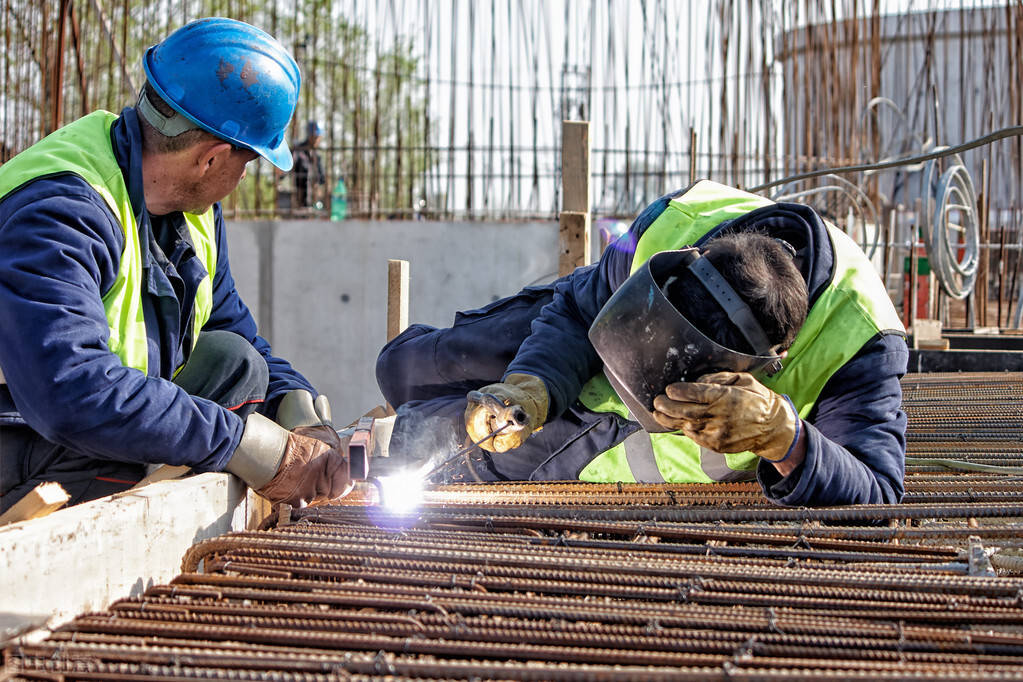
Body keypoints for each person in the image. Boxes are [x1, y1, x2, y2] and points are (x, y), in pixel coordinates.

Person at [0, 18, 353, 514]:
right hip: (24, 435)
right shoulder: (61, 212)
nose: (243, 178)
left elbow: (231, 330)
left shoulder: (191, 212)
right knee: (138, 437)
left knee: (235, 363)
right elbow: (72, 392)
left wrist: (292, 401)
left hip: (71, 420)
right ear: (212, 159)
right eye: (248, 162)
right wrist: (245, 445)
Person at [376, 180, 909, 506]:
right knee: (400, 368)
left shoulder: (863, 345)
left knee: (454, 454)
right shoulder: (676, 221)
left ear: (768, 363)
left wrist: (785, 438)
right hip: (591, 331)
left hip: (619, 440)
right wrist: (532, 385)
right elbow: (579, 307)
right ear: (685, 265)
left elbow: (879, 491)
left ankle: (382, 441)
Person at [292, 120, 326, 211]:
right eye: (316, 137)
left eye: (319, 137)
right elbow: (286, 170)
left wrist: (318, 187)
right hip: (298, 200)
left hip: (314, 202)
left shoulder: (317, 156)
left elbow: (322, 179)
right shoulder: (298, 151)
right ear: (310, 136)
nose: (318, 139)